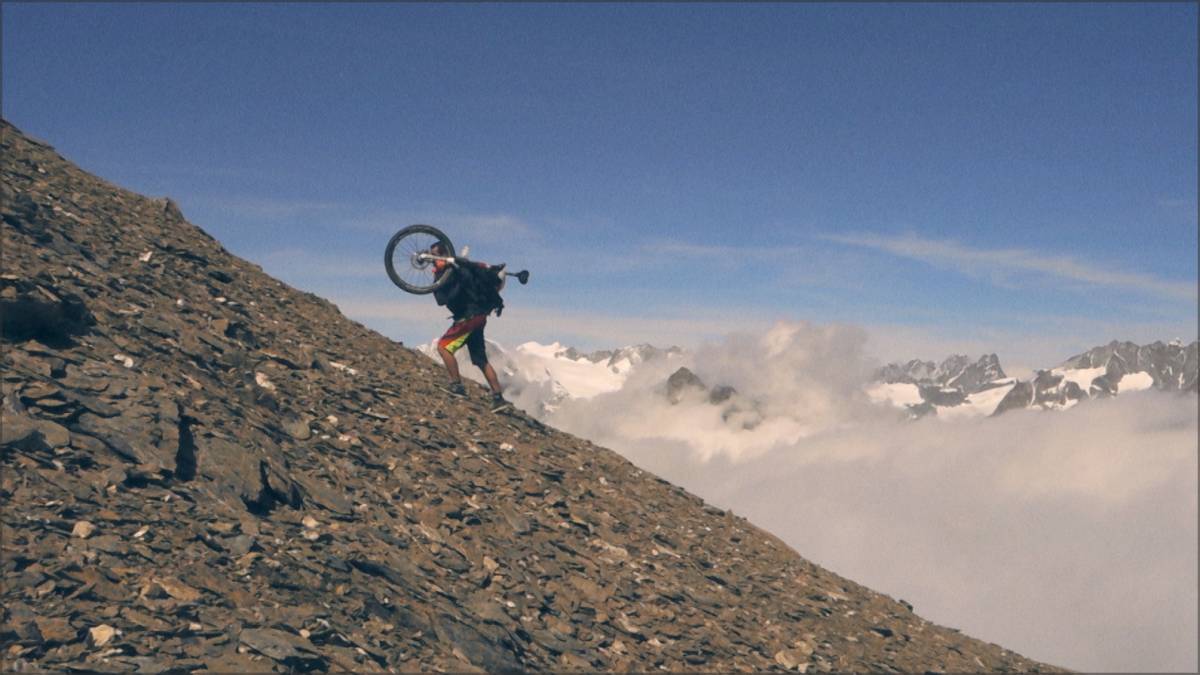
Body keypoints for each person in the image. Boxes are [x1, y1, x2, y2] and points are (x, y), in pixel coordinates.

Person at [430, 241, 511, 412]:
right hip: (479, 316)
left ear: (445, 255)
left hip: (468, 318)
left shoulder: (454, 272)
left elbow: (441, 299)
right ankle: (498, 398)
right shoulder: (459, 269)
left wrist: (439, 278)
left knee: (443, 347)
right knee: (481, 360)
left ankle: (456, 386)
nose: (432, 260)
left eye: (435, 256)